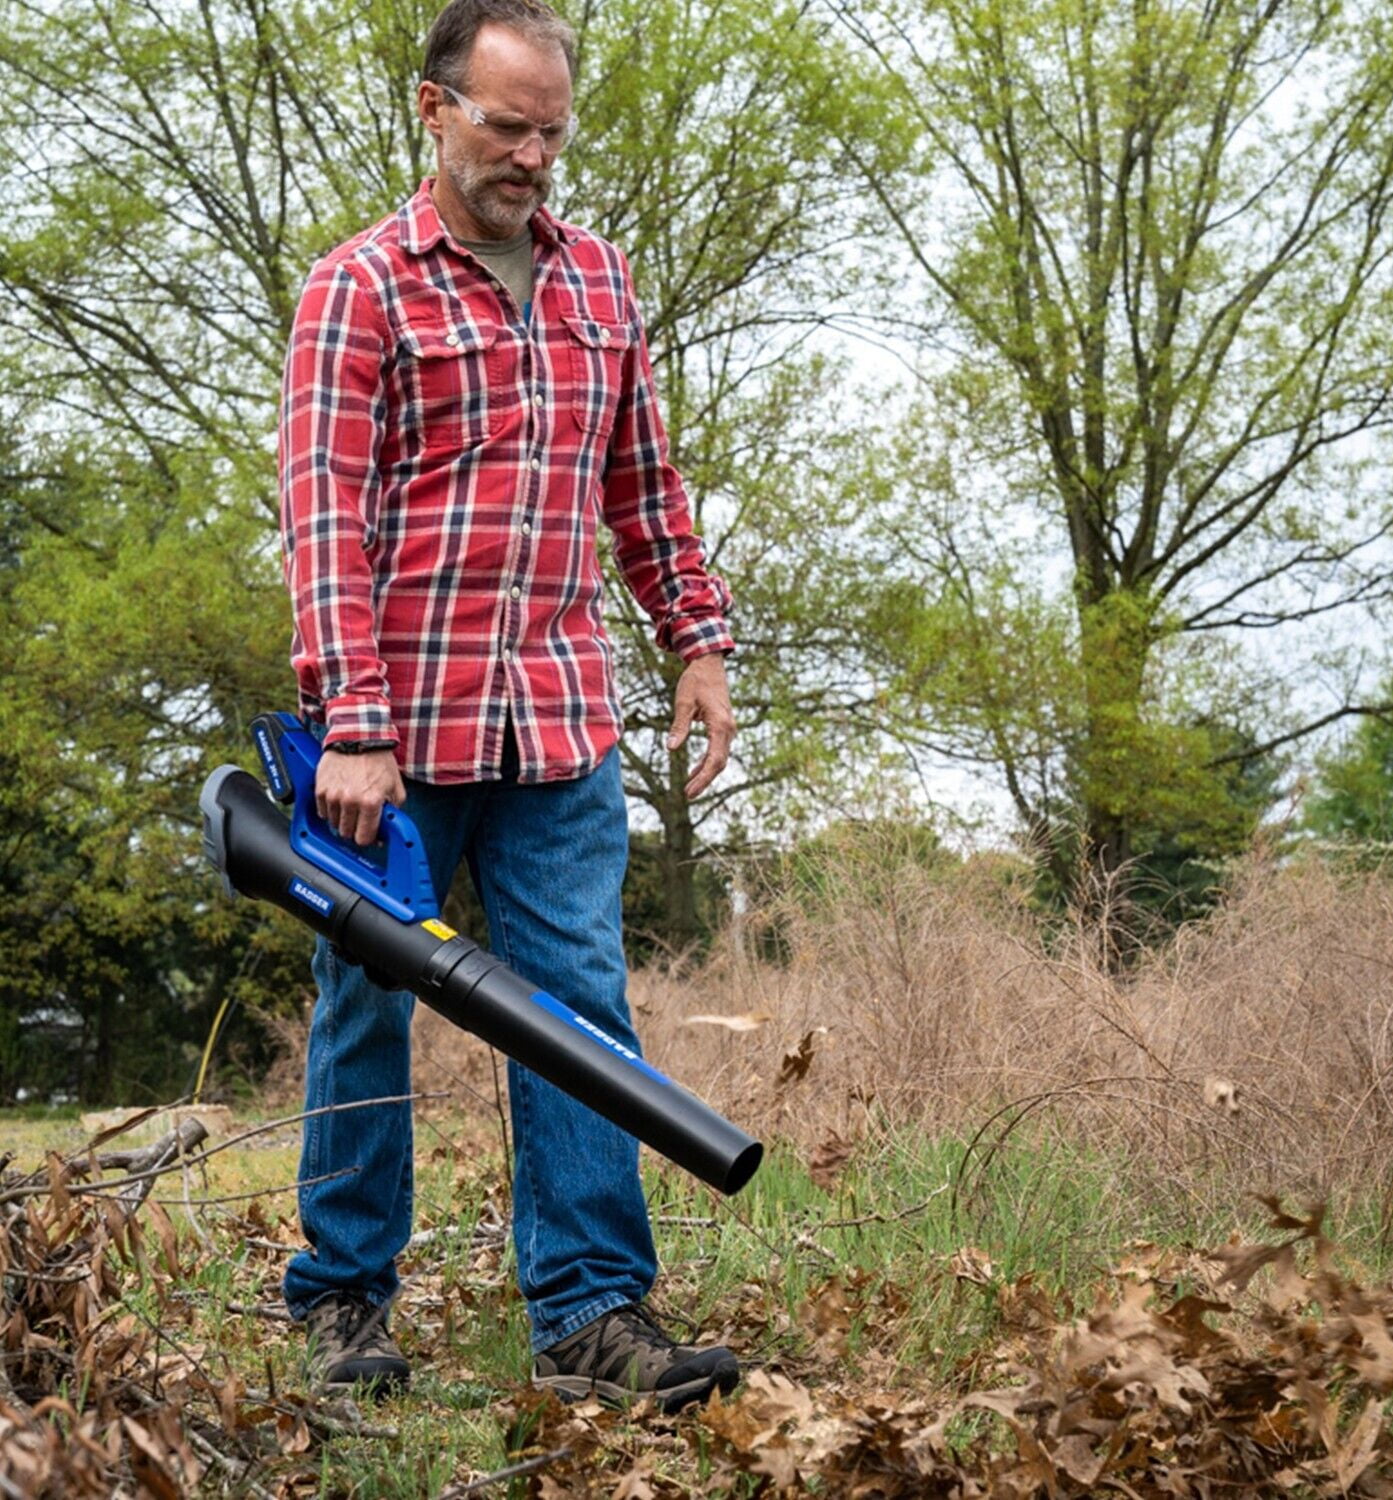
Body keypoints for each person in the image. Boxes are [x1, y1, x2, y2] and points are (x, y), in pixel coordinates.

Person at [276, 0, 740, 1414]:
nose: (534, 155)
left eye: (552, 130)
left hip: (556, 728)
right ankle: (344, 1305)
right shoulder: (358, 290)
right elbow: (322, 522)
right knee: (366, 1011)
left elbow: (641, 486)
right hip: (389, 747)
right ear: (434, 110)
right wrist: (351, 721)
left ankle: (594, 1312)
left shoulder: (601, 284)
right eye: (506, 125)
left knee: (579, 1009)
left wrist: (698, 640)